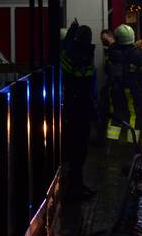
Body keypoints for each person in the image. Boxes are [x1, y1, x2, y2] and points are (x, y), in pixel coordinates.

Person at [60, 20, 96, 199]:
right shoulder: (78, 57)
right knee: (77, 149)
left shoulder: (73, 54)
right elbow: (81, 81)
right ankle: (74, 187)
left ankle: (75, 184)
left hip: (77, 108)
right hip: (77, 110)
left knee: (77, 150)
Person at [105, 24, 142, 144]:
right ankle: (132, 140)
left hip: (114, 87)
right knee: (134, 114)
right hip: (131, 88)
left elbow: (107, 68)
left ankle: (112, 139)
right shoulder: (136, 53)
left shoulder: (112, 51)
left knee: (115, 111)